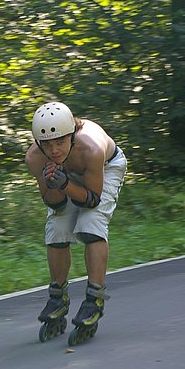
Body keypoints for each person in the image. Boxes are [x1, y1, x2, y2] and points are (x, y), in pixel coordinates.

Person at [24, 101, 127, 329]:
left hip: (105, 168)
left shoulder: (92, 149)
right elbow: (57, 205)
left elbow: (92, 200)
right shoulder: (35, 158)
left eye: (60, 142)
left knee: (91, 225)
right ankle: (57, 297)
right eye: (47, 145)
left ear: (71, 135)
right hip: (69, 177)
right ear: (38, 143)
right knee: (57, 229)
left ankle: (95, 298)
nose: (54, 151)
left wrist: (66, 185)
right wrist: (52, 184)